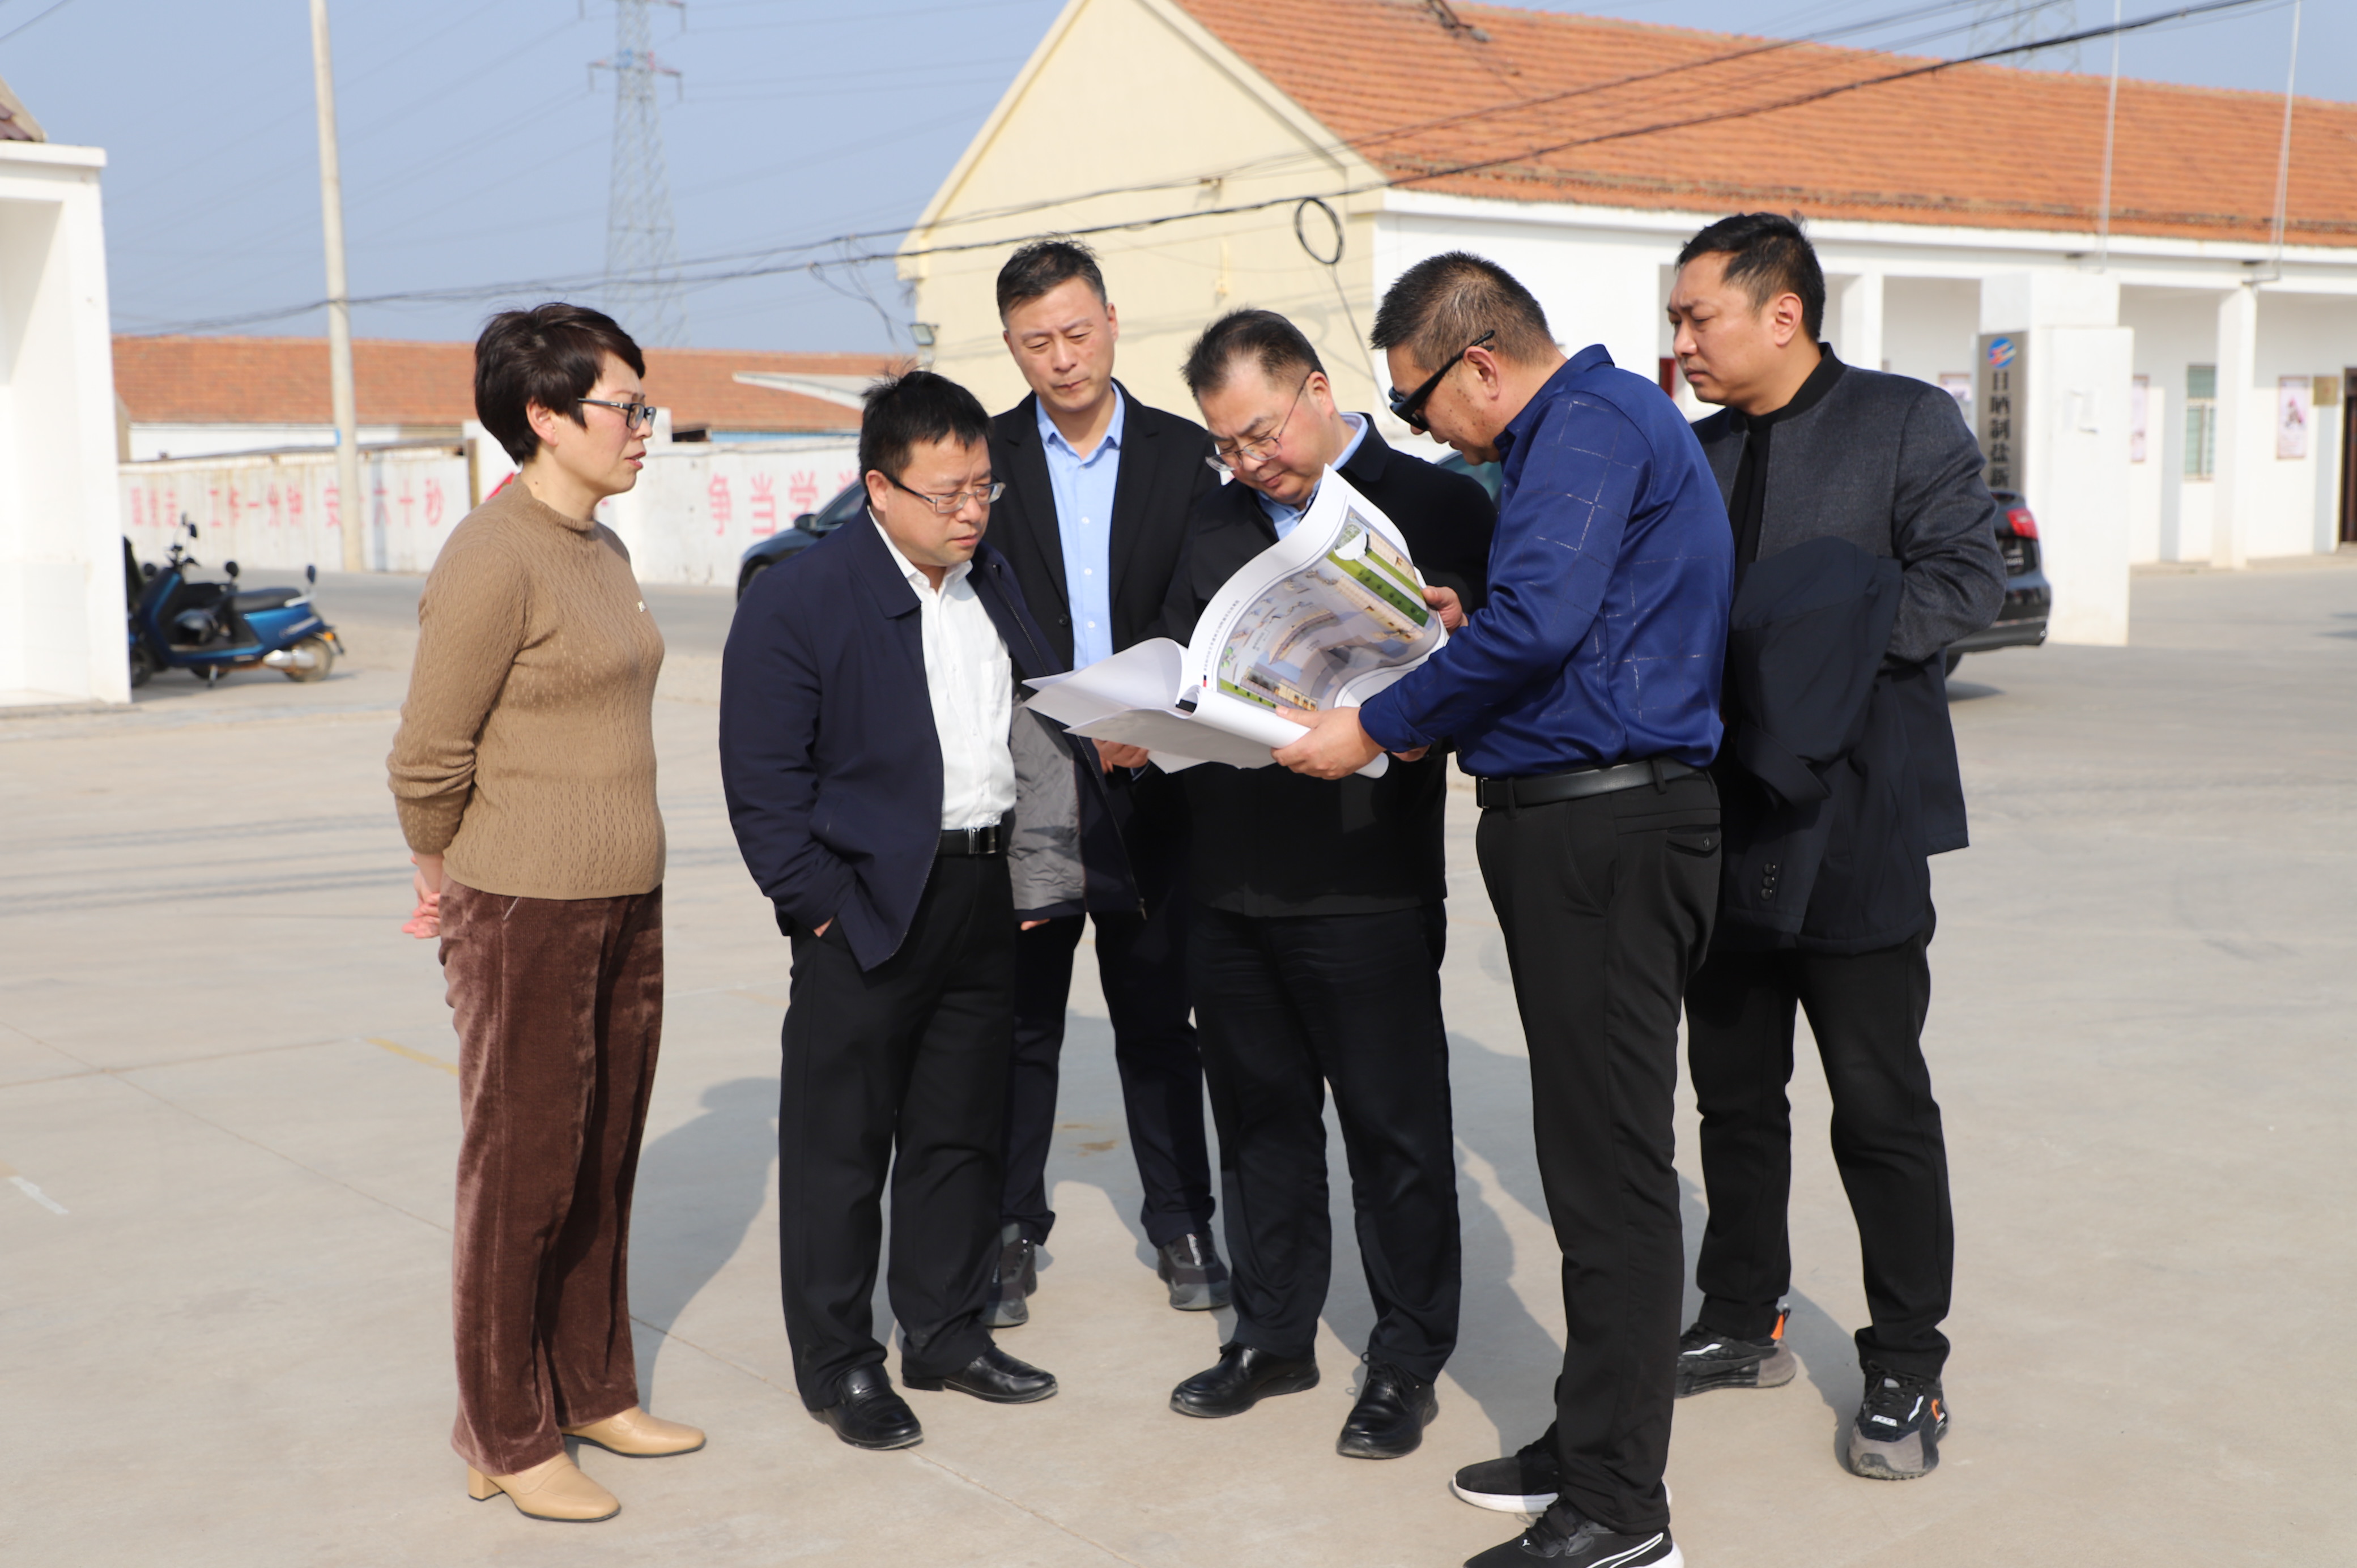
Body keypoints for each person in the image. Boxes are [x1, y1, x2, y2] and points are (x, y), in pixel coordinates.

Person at [1275, 255, 1731, 1568]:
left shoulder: (1581, 424)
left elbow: (1539, 627)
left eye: (1416, 404)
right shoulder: (1576, 433)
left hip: (1606, 832)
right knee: (1584, 1159)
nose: (1424, 433)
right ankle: (1590, 1444)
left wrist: (1375, 720)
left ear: (1477, 365)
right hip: (1585, 823)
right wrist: (1462, 633)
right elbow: (1566, 622)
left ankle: (1623, 1512)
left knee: (1609, 1173)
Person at [1662, 212, 2004, 1480]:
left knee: (1878, 1099)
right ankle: (1742, 1313)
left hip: (1857, 818)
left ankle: (1907, 1361)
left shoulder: (1902, 422)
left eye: (1699, 316)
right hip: (1721, 818)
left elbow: (1964, 585)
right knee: (1733, 1093)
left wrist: (1794, 653)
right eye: (1677, 320)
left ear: (1783, 313)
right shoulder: (1691, 453)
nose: (1683, 342)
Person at [718, 370, 1076, 1453]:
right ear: (879, 488)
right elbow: (763, 784)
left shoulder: (989, 580)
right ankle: (840, 1363)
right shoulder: (801, 598)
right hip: (866, 904)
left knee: (960, 1133)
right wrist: (821, 906)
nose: (971, 512)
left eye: (983, 488)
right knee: (841, 1147)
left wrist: (1033, 868)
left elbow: (1027, 731)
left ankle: (948, 1333)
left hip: (980, 889)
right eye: (947, 493)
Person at [1157, 309, 1492, 1460]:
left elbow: (1495, 670)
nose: (1249, 463)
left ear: (1313, 388)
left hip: (1367, 878)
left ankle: (1406, 1358)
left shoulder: (1436, 506)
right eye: (1227, 445)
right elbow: (1185, 665)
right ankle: (1273, 1333)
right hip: (1229, 874)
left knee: (1396, 1132)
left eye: (1261, 434)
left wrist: (1441, 655)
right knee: (1258, 1121)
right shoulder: (1210, 522)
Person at [388, 302, 701, 1525]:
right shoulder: (491, 556)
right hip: (523, 906)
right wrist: (438, 877)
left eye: (642, 404)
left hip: (625, 897)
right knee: (521, 1173)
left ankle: (592, 1388)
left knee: (602, 1158)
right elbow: (428, 751)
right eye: (626, 406)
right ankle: (502, 1429)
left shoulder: (601, 549)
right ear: (546, 416)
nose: (644, 428)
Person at [982, 240, 1229, 1324]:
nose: (1063, 358)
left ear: (1114, 323)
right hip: (1027, 783)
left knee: (1159, 1016)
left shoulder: (1186, 453)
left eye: (1078, 333)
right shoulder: (985, 460)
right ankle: (1008, 1226)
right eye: (1037, 341)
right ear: (1011, 345)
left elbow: (1208, 597)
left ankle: (1181, 1221)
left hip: (1154, 776)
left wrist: (1153, 721)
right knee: (1019, 1021)